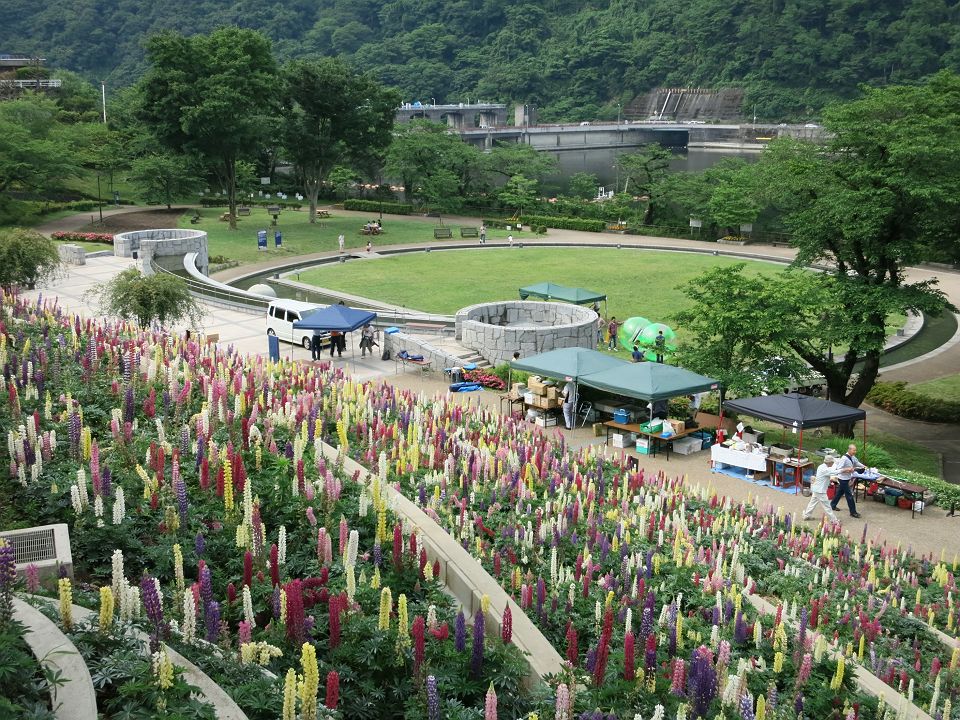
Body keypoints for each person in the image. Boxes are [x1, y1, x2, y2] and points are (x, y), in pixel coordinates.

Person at [803, 455, 841, 523]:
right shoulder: (825, 469)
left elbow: (829, 474)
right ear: (829, 462)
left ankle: (806, 515)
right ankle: (834, 520)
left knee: (812, 503)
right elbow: (833, 472)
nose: (833, 463)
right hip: (820, 490)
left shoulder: (822, 466)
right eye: (832, 462)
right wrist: (844, 470)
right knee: (827, 506)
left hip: (817, 489)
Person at [831, 444, 864, 518]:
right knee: (849, 495)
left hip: (847, 478)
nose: (855, 451)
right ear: (849, 450)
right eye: (853, 450)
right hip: (842, 479)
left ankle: (832, 505)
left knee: (839, 492)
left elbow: (857, 463)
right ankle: (853, 512)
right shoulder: (844, 458)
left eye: (855, 450)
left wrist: (863, 466)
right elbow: (838, 469)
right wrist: (847, 470)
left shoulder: (853, 457)